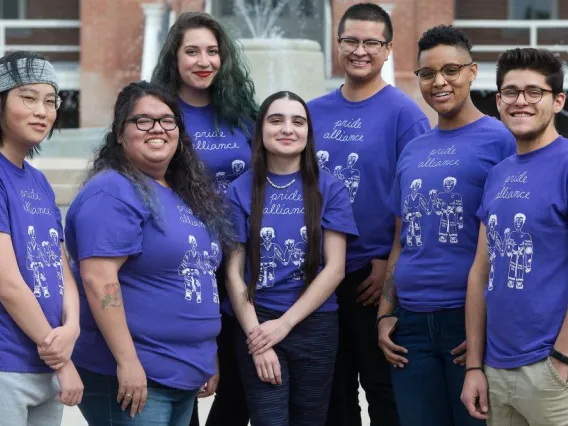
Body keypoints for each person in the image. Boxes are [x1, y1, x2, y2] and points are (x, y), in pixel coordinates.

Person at [65, 81, 233, 425]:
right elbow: (99, 280)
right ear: (119, 134)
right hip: (133, 375)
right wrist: (127, 362)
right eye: (142, 120)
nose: (157, 128)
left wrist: (205, 353)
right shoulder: (113, 191)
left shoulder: (182, 193)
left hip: (182, 372)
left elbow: (198, 275)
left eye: (167, 120)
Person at [376, 26, 515, 426]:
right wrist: (386, 313)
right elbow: (402, 238)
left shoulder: (501, 140)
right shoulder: (414, 149)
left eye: (451, 69)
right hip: (411, 326)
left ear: (472, 72)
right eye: (427, 73)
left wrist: (487, 328)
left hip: (467, 323)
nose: (439, 81)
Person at [307, 3, 430, 425]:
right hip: (316, 276)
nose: (360, 51)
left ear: (388, 48)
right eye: (351, 41)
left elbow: (415, 202)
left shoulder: (405, 115)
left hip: (370, 276)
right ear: (337, 44)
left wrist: (387, 265)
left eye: (371, 42)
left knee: (383, 387)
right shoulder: (312, 112)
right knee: (331, 391)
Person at [226, 91, 358, 426]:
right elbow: (233, 274)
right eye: (276, 120)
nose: (287, 129)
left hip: (315, 323)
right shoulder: (240, 191)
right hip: (257, 320)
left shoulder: (330, 188)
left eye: (297, 121)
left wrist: (285, 325)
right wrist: (259, 337)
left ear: (308, 132)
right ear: (261, 131)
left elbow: (336, 268)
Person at [152, 12, 257, 426]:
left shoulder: (243, 114)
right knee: (185, 376)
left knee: (241, 374)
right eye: (192, 51)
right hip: (180, 263)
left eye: (213, 51)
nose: (204, 61)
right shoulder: (158, 112)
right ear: (174, 57)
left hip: (237, 260)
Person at [461, 48, 568, 426]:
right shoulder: (499, 174)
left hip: (550, 372)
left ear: (558, 101)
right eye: (510, 92)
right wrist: (475, 365)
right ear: (498, 101)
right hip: (495, 366)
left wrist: (562, 359)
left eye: (533, 92)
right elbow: (480, 271)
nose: (520, 101)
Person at [0, 50, 83, 424]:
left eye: (50, 101)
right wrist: (63, 359)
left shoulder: (38, 181)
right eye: (28, 98)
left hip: (44, 364)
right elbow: (7, 283)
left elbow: (60, 266)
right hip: (6, 365)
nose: (42, 111)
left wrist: (73, 326)